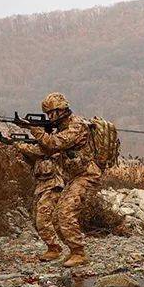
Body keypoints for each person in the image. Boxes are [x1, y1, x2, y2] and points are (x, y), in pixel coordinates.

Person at [19, 92, 101, 268]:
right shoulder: (62, 128)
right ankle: (71, 250)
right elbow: (48, 151)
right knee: (56, 215)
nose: (50, 117)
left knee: (65, 211)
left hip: (87, 174)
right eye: (47, 114)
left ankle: (79, 253)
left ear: (61, 110)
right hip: (75, 177)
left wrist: (35, 129)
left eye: (51, 113)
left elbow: (54, 143)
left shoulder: (76, 125)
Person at [14, 142, 66, 262]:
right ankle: (57, 247)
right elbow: (31, 158)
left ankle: (55, 248)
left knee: (43, 219)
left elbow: (37, 150)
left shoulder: (52, 145)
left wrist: (18, 144)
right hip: (41, 188)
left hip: (53, 186)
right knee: (36, 219)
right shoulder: (40, 153)